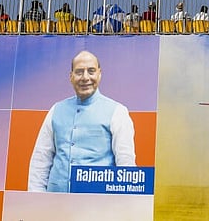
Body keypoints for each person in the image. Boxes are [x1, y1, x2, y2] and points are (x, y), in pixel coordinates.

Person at [28, 51, 136, 193]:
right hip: (54, 201)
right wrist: (35, 198)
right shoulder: (56, 110)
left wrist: (123, 201)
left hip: (98, 202)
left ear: (99, 74)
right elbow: (41, 159)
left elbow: (125, 163)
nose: (85, 77)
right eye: (79, 72)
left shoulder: (118, 111)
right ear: (71, 76)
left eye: (91, 71)